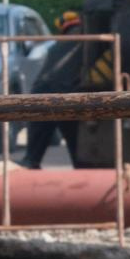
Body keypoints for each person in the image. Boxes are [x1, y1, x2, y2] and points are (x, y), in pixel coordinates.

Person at [19, 9, 113, 168]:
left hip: (41, 94)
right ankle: (84, 176)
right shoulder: (88, 38)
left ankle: (26, 179)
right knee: (78, 151)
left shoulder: (58, 44)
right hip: (66, 96)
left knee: (33, 157)